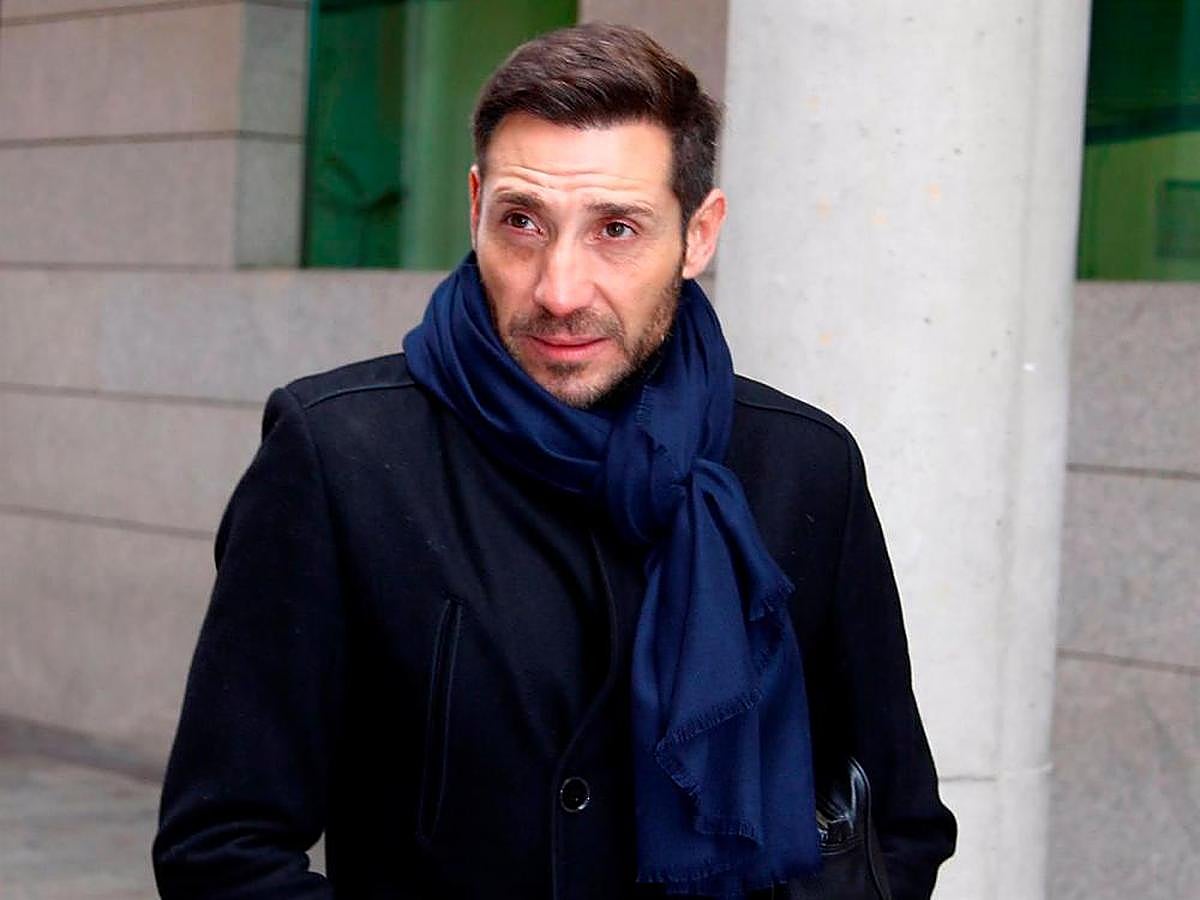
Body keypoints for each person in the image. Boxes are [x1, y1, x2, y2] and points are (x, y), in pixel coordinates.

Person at [153, 23, 955, 900]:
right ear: (475, 208)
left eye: (616, 228)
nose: (559, 289)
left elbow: (899, 822)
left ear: (699, 235)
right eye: (522, 222)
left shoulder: (804, 465)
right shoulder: (340, 453)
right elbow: (221, 849)